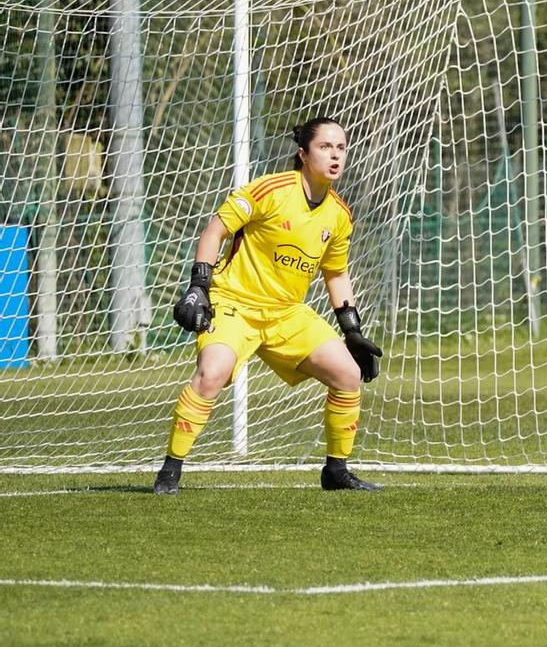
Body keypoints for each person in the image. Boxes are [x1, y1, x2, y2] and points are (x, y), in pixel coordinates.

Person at [154, 115, 384, 494]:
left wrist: (352, 331)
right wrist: (199, 287)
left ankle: (336, 472)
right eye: (325, 147)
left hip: (286, 313)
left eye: (341, 148)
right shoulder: (270, 190)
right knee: (212, 374)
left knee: (347, 374)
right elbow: (216, 231)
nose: (335, 156)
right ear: (302, 153)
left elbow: (336, 274)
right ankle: (170, 471)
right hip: (234, 304)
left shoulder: (339, 215)